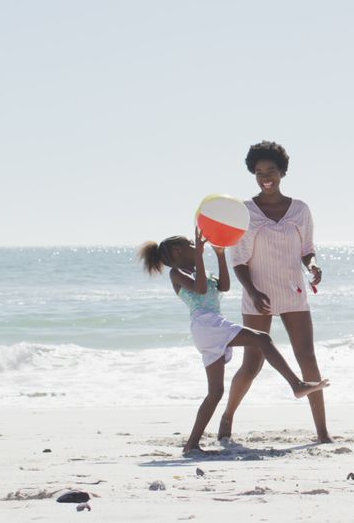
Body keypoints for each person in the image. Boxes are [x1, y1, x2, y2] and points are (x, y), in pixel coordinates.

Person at [138, 228, 328, 454]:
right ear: (178, 252)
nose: (197, 246)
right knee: (262, 339)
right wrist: (199, 255)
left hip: (211, 327)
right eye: (192, 244)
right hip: (207, 325)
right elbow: (199, 289)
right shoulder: (177, 273)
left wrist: (220, 255)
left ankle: (191, 445)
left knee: (215, 392)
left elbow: (224, 286)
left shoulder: (199, 270)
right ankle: (296, 384)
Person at [220, 141, 331, 443]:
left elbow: (307, 250)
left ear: (282, 172)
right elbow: (238, 260)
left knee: (307, 358)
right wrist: (254, 293)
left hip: (293, 292)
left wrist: (314, 267)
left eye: (271, 171)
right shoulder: (246, 212)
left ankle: (322, 433)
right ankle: (227, 417)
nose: (265, 177)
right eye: (259, 172)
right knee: (252, 364)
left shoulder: (300, 210)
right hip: (258, 294)